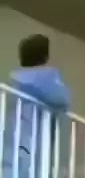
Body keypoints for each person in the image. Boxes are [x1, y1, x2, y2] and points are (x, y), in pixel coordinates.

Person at [1, 34, 71, 178]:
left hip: (13, 148)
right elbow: (63, 99)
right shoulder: (47, 79)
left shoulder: (12, 83)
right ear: (45, 57)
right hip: (32, 150)